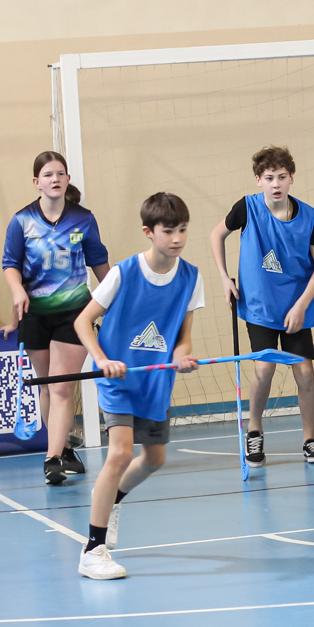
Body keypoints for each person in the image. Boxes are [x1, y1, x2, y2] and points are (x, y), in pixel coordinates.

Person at [72, 192, 203, 580]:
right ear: (149, 232)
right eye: (168, 230)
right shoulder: (123, 273)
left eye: (182, 230)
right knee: (119, 453)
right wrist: (101, 359)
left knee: (155, 459)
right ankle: (92, 550)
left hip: (155, 381)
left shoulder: (191, 277)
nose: (177, 238)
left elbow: (183, 337)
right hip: (117, 379)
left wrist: (183, 356)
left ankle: (111, 498)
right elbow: (83, 322)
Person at [209, 145, 314, 467]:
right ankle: (254, 430)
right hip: (259, 306)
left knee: (305, 372)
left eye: (282, 177)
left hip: (295, 308)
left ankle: (310, 439)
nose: (276, 184)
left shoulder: (309, 217)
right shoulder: (247, 208)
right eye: (269, 178)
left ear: (291, 179)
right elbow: (216, 235)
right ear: (258, 180)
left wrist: (302, 305)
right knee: (264, 369)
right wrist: (224, 278)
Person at [2, 151, 112, 486]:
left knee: (62, 387)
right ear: (36, 182)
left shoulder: (84, 219)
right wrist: (17, 291)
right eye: (48, 174)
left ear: (67, 179)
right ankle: (63, 448)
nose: (55, 179)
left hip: (74, 314)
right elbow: (10, 264)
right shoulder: (22, 220)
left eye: (60, 173)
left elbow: (100, 263)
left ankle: (51, 460)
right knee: (47, 387)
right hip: (35, 314)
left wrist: (112, 301)